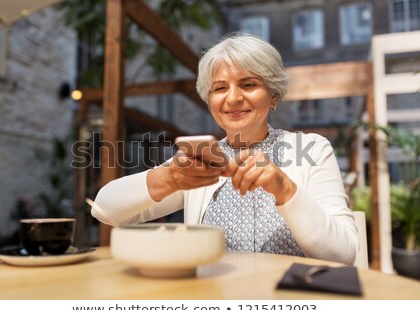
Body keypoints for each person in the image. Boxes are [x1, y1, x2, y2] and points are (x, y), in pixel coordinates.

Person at [92, 33, 358, 266]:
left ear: (274, 96)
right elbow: (105, 210)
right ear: (210, 101)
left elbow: (343, 255)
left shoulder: (312, 149)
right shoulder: (201, 161)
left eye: (249, 84)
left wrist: (284, 188)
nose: (232, 98)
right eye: (220, 88)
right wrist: (168, 178)